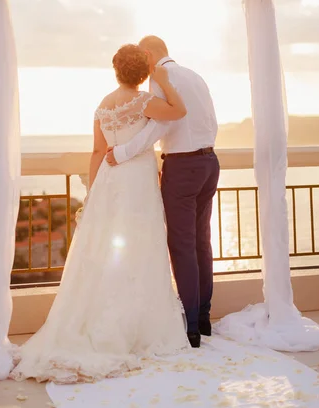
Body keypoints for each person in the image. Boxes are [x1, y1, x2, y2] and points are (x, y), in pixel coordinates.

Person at [10, 44, 189, 384]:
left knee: (105, 251)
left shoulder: (102, 107)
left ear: (116, 70)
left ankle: (100, 321)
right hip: (136, 179)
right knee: (141, 247)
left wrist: (92, 193)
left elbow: (96, 151)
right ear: (142, 72)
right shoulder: (144, 102)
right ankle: (135, 327)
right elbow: (179, 111)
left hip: (108, 180)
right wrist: (163, 79)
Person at [107, 36, 220, 348]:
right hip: (210, 161)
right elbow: (211, 121)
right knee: (201, 240)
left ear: (147, 54)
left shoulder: (162, 79)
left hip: (183, 167)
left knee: (181, 245)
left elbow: (159, 127)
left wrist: (123, 151)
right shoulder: (195, 76)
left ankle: (192, 326)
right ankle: (205, 317)